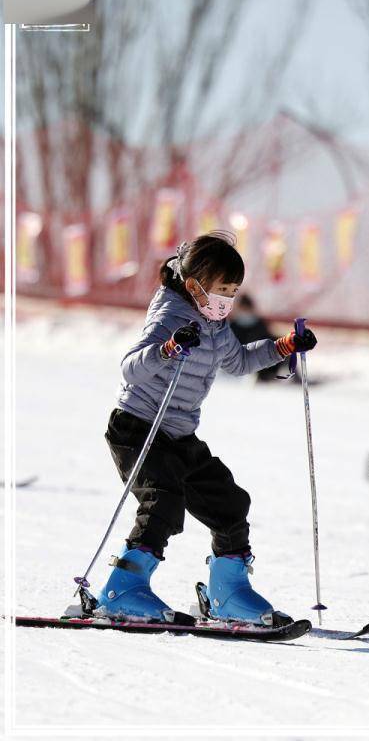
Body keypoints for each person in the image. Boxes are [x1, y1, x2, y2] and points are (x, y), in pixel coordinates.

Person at [94, 232, 317, 627]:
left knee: (228, 502)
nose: (227, 299)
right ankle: (121, 590)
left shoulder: (214, 323)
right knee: (163, 500)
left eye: (233, 290)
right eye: (221, 289)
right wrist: (169, 348)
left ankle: (227, 594)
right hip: (138, 428)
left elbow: (236, 362)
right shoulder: (171, 316)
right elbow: (131, 367)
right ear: (194, 285)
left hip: (178, 434)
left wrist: (283, 346)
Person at [229, 293, 285, 382]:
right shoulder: (233, 326)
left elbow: (270, 342)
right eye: (243, 309)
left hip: (262, 363)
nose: (245, 312)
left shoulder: (259, 324)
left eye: (247, 309)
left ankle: (271, 375)